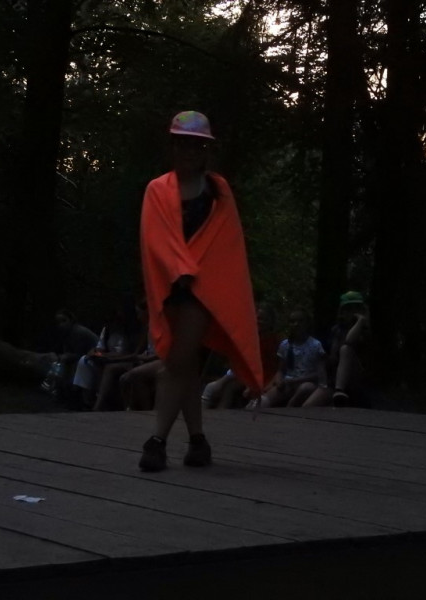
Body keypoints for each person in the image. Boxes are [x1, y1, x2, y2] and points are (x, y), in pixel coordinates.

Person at [138, 110, 263, 471]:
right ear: (172, 147)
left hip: (203, 290)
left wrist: (195, 273)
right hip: (170, 288)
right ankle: (198, 442)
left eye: (197, 145)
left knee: (175, 364)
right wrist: (178, 268)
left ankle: (157, 441)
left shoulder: (218, 191)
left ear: (206, 150)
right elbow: (155, 237)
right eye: (183, 144)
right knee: (187, 366)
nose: (189, 152)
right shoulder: (158, 189)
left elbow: (226, 245)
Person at [202, 302, 281, 409]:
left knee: (251, 398)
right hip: (244, 375)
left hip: (263, 378)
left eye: (264, 319)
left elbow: (271, 368)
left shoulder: (274, 342)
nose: (259, 321)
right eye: (257, 318)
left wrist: (252, 385)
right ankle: (212, 412)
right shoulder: (251, 338)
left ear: (271, 322)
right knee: (218, 388)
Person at [72, 299, 142, 410]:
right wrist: (95, 352)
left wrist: (108, 356)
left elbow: (130, 353)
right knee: (84, 360)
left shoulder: (131, 332)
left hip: (123, 360)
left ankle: (99, 404)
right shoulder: (107, 330)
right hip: (107, 358)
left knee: (108, 367)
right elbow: (100, 348)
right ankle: (85, 399)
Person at [259, 308, 328, 408]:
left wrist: (296, 380)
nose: (296, 324)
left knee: (304, 388)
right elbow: (280, 370)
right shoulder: (285, 345)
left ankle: (290, 407)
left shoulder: (315, 345)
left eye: (300, 321)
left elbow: (319, 374)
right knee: (264, 399)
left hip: (308, 383)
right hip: (288, 383)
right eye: (292, 321)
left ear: (307, 324)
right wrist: (278, 380)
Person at [326, 291, 372, 407]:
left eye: (356, 308)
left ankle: (339, 390)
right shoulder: (337, 330)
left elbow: (349, 341)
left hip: (356, 375)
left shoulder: (363, 330)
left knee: (346, 349)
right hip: (336, 376)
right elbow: (333, 358)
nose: (352, 312)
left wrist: (361, 321)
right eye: (349, 309)